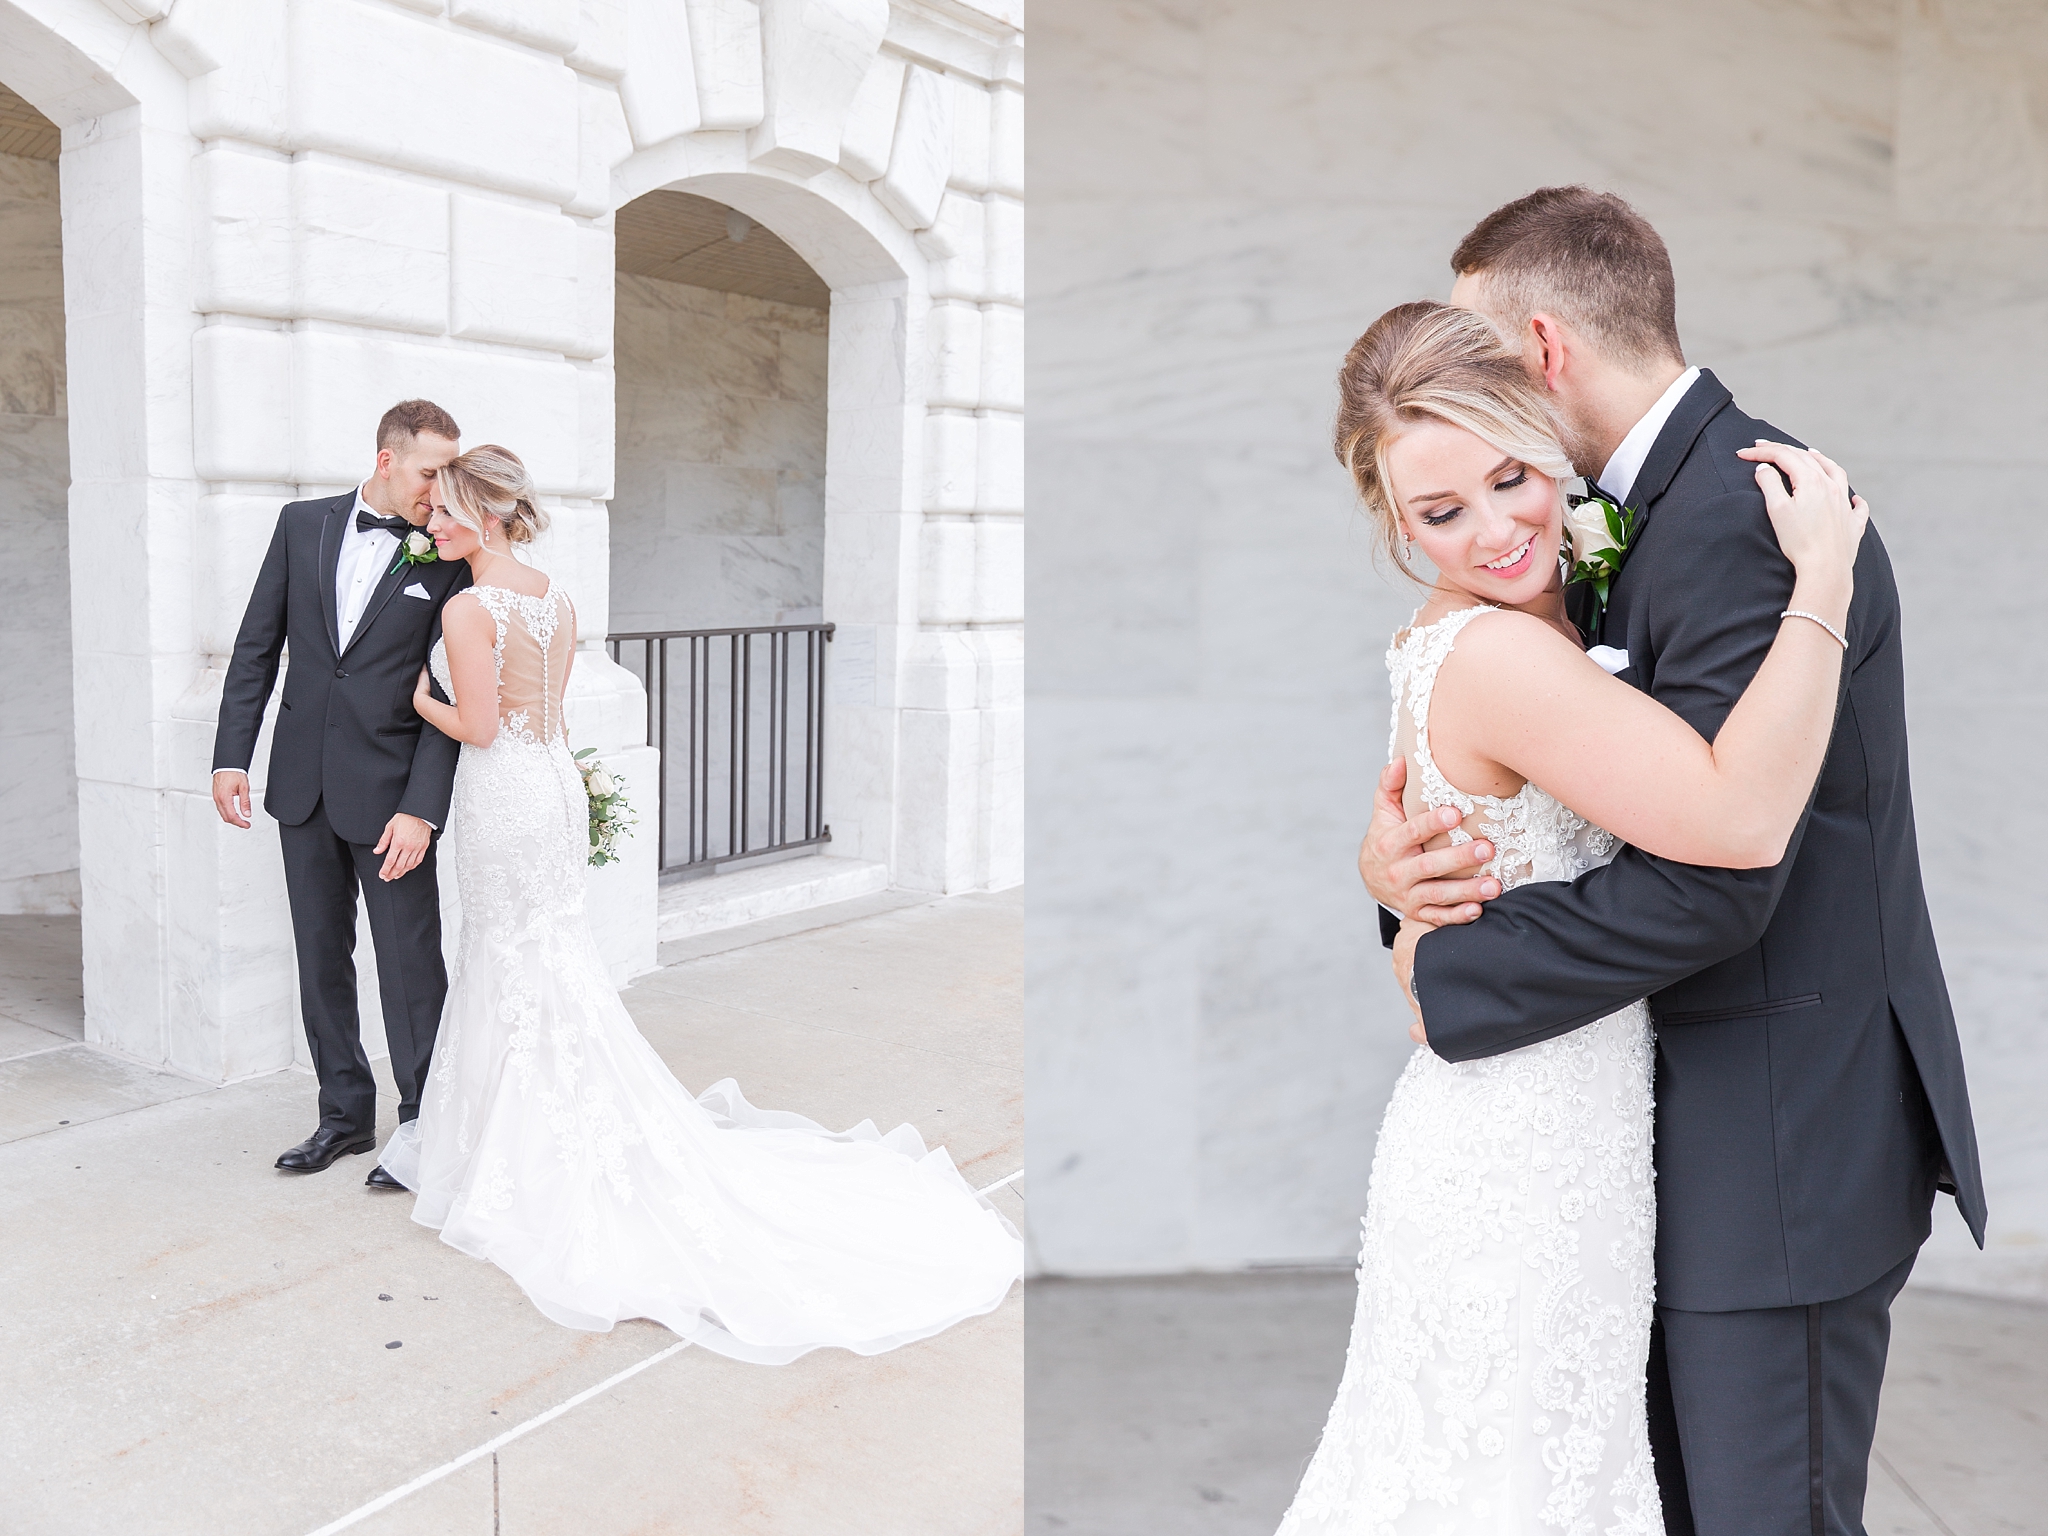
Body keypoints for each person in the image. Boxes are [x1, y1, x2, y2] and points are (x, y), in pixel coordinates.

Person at [1355, 190, 1985, 1536]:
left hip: (1779, 1147)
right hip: (1655, 1146)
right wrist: (1407, 880)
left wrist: (1452, 962)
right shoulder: (1585, 532)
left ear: (1539, 343)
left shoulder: (1738, 513)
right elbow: (1553, 783)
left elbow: (1724, 866)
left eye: (1477, 349)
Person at [1276, 298, 1870, 1534]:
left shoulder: (1485, 629)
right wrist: (1821, 585)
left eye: (1510, 478)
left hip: (1551, 1117)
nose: (1496, 531)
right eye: (1441, 513)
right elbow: (1738, 820)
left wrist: (1386, 884)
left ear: (1543, 437)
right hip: (1525, 1146)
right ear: (1392, 522)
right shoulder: (1499, 656)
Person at [376, 444, 1021, 1362]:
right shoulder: (553, 595)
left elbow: (480, 728)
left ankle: (508, 1152)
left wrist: (422, 698)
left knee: (508, 954)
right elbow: (547, 717)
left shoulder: (472, 607)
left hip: (505, 796)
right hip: (551, 784)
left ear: (481, 514)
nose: (430, 526)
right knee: (544, 957)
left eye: (442, 512)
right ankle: (508, 1132)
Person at [212, 400, 471, 1182]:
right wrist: (232, 757)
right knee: (322, 959)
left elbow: (449, 694)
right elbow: (258, 646)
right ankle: (343, 1117)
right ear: (387, 459)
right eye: (431, 472)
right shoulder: (303, 525)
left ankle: (424, 1132)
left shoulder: (450, 553)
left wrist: (424, 808)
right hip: (301, 787)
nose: (441, 489)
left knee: (410, 966)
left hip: (394, 799)